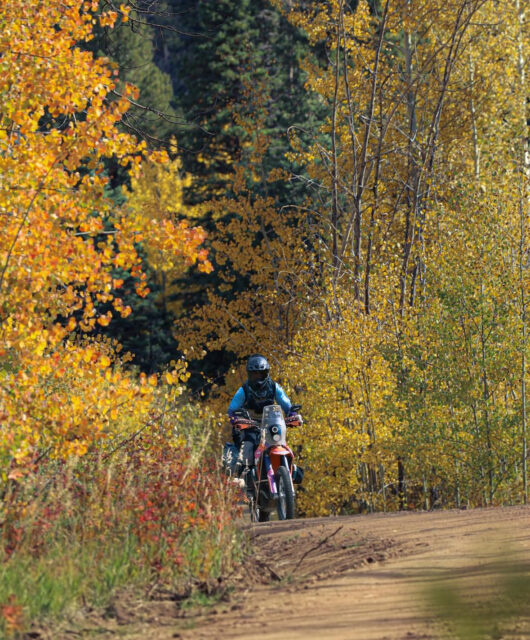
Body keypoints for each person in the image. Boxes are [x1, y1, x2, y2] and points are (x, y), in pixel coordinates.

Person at [227, 354, 292, 482]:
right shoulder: (244, 390)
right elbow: (232, 410)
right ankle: (246, 483)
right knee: (247, 450)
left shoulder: (274, 387)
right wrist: (235, 419)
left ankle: (289, 474)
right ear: (249, 374)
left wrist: (292, 414)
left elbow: (287, 405)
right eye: (254, 374)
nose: (258, 377)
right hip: (250, 427)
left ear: (266, 373)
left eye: (260, 374)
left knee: (282, 445)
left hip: (272, 425)